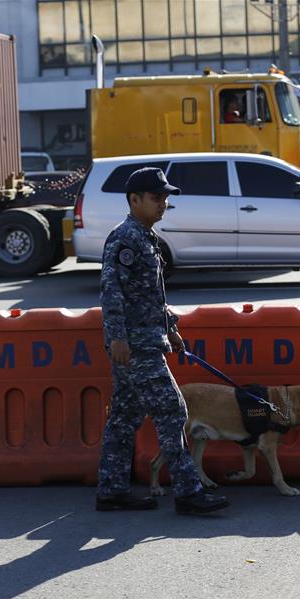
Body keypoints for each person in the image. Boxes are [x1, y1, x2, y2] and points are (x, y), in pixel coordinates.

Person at [95, 167, 231, 516]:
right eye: (156, 198)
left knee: (124, 416)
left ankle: (111, 490)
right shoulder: (125, 238)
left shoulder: (144, 236)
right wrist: (118, 338)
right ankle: (188, 491)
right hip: (136, 346)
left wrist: (170, 327)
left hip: (145, 340)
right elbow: (112, 294)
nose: (163, 204)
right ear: (134, 200)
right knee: (172, 409)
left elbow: (151, 295)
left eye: (165, 198)